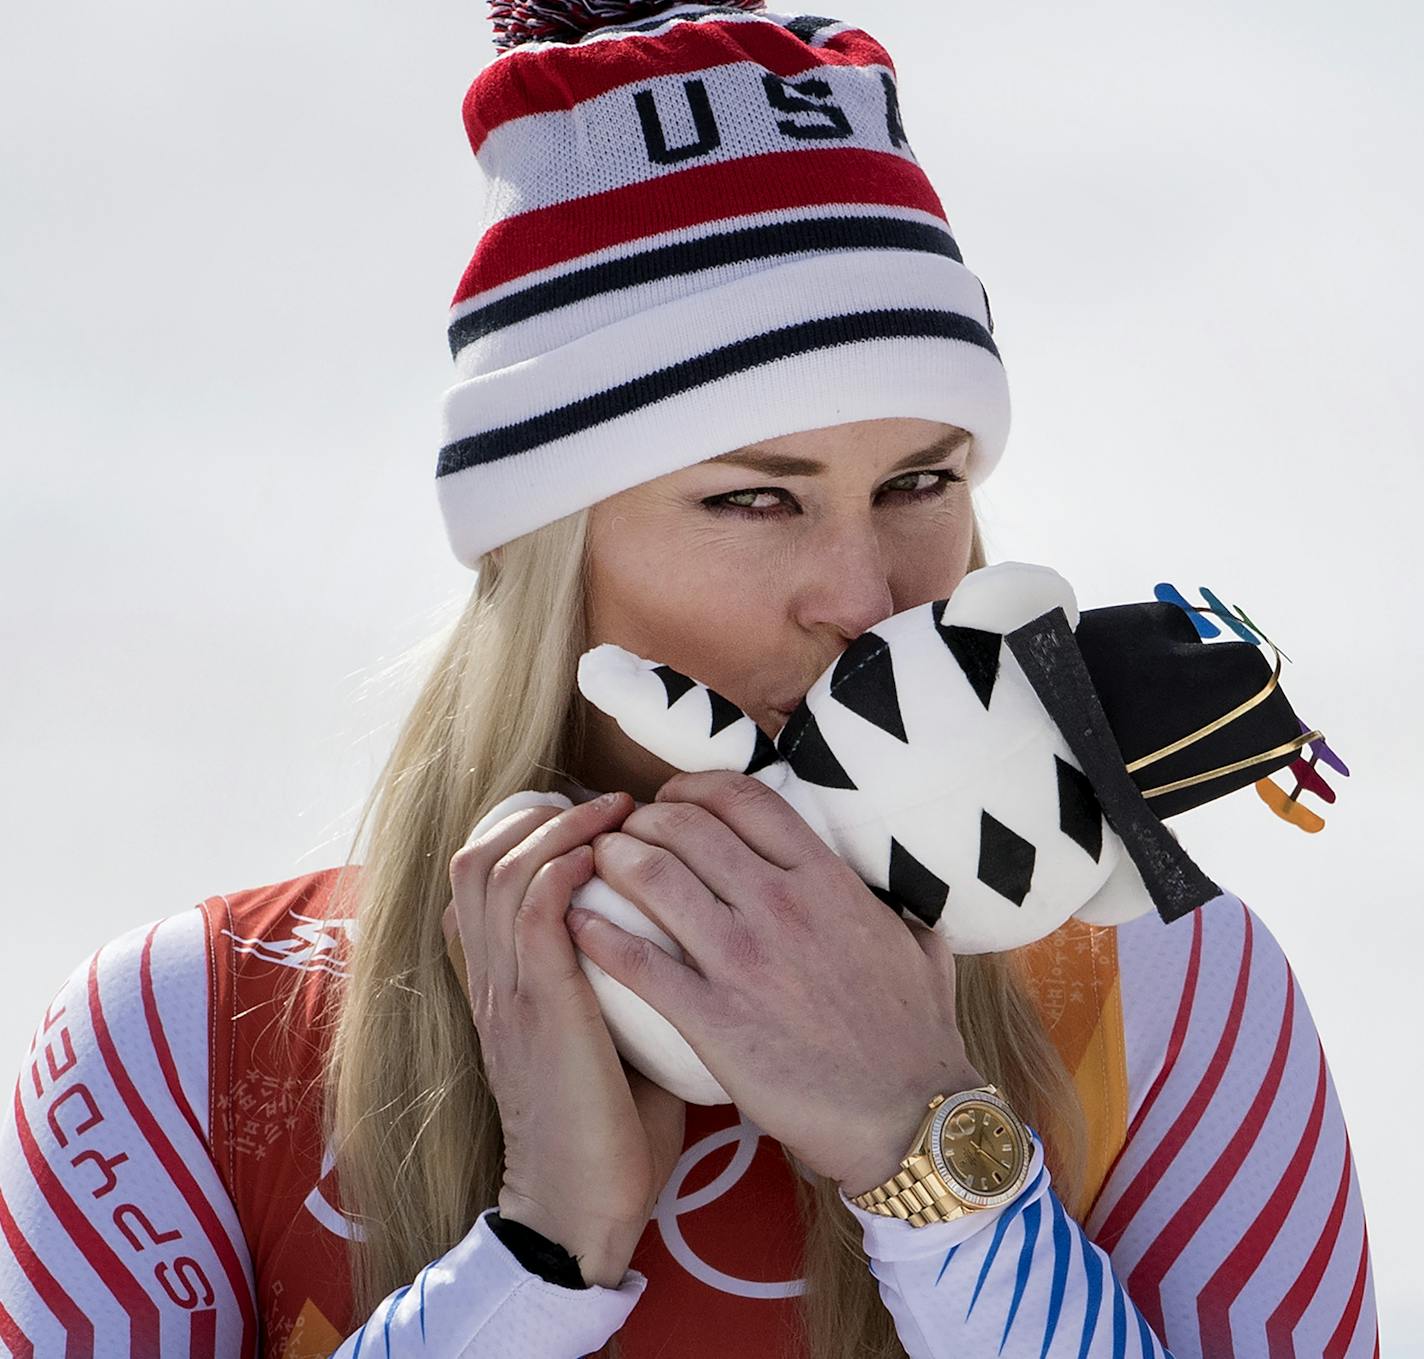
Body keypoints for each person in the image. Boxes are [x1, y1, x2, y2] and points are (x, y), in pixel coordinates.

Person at [0, 2, 1379, 1356]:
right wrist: (534, 1261)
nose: (867, 596)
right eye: (752, 501)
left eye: (919, 482)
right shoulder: (188, 1036)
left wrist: (932, 1156)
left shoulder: (1164, 989)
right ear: (549, 551)